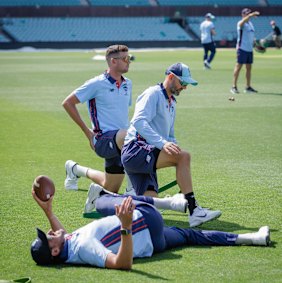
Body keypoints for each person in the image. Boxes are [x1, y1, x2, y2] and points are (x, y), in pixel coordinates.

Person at [30, 187, 271, 269]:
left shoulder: (70, 245)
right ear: (54, 251)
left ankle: (253, 238)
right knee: (102, 200)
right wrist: (125, 227)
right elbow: (121, 264)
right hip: (142, 220)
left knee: (191, 236)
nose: (51, 232)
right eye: (48, 237)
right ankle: (173, 203)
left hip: (154, 241)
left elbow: (64, 235)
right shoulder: (84, 247)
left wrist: (49, 211)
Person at [120, 62, 221, 227]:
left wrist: (172, 146)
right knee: (184, 157)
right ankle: (194, 210)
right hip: (135, 150)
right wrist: (164, 145)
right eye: (183, 83)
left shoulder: (171, 102)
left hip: (146, 152)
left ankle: (104, 199)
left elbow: (170, 135)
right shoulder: (153, 93)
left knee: (150, 212)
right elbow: (138, 121)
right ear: (171, 77)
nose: (185, 87)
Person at [62, 45, 133, 194]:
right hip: (103, 140)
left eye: (129, 58)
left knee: (111, 188)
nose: (129, 62)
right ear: (113, 61)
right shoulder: (96, 83)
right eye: (125, 59)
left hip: (121, 142)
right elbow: (68, 103)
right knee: (132, 136)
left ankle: (75, 169)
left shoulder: (128, 83)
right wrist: (88, 133)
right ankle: (133, 185)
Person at [230, 8, 260, 95]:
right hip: (242, 49)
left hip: (249, 49)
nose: (248, 15)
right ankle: (233, 86)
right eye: (246, 13)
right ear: (242, 15)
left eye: (249, 13)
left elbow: (251, 36)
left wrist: (255, 43)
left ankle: (248, 87)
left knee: (249, 68)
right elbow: (241, 23)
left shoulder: (250, 24)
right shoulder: (240, 23)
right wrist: (251, 15)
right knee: (238, 67)